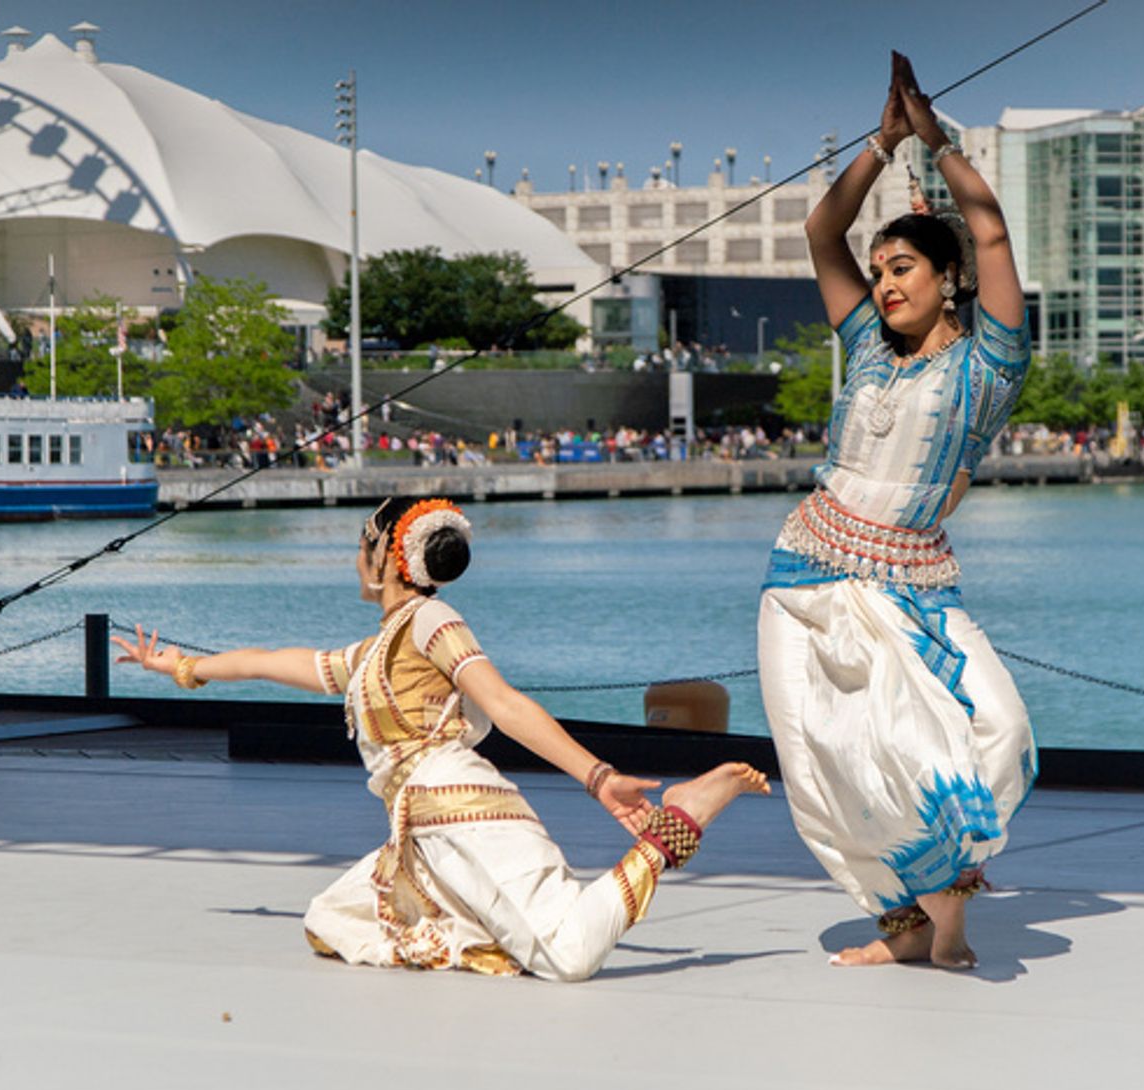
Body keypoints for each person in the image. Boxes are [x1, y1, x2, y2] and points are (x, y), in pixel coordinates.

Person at [113, 497, 768, 981]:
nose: (354, 561)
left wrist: (597, 776)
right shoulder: (376, 653)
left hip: (466, 809)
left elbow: (504, 703)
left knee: (570, 957)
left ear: (384, 558)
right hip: (419, 832)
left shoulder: (432, 618)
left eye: (360, 546)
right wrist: (179, 666)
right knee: (332, 918)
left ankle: (675, 823)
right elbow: (271, 660)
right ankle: (483, 933)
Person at [757, 53, 1036, 970]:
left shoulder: (988, 364)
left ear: (948, 276)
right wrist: (880, 146)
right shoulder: (867, 348)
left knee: (998, 735)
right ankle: (910, 926)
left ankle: (945, 892)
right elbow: (819, 226)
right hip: (809, 575)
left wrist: (936, 140)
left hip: (914, 578)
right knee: (828, 763)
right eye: (879, 270)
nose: (884, 284)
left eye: (904, 266)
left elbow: (990, 232)